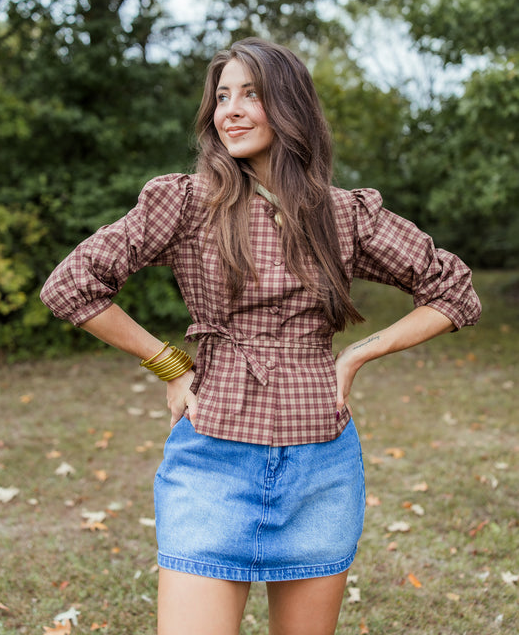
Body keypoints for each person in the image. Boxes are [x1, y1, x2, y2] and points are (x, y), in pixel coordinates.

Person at [41, 37, 481, 635]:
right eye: (222, 96)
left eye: (252, 93)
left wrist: (356, 354)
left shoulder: (343, 214)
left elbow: (453, 289)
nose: (231, 110)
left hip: (319, 470)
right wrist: (170, 365)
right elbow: (71, 285)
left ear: (291, 106)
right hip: (211, 466)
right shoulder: (188, 202)